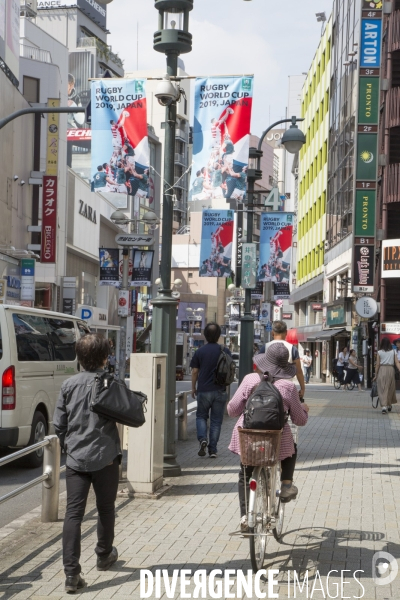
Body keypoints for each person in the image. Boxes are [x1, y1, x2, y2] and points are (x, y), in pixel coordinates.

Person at [54, 334, 121, 593]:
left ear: (79, 358)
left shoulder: (68, 384)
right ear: (104, 357)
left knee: (73, 514)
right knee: (106, 508)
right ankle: (104, 555)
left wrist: (70, 445)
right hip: (106, 457)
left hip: (76, 459)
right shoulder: (110, 382)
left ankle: (72, 574)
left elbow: (59, 424)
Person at [227, 343, 309, 531]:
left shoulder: (249, 380)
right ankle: (286, 485)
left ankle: (245, 518)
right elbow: (299, 420)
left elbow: (232, 410)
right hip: (276, 439)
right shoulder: (288, 386)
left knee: (245, 473)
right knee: (292, 450)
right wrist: (304, 410)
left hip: (248, 436)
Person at [190, 322, 231, 458]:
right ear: (219, 335)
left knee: (201, 416)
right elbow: (229, 371)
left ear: (205, 335)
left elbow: (195, 371)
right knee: (216, 421)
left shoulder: (200, 352)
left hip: (204, 390)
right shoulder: (224, 351)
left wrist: (193, 388)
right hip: (220, 390)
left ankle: (203, 439)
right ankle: (213, 450)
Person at [259, 320, 305, 399]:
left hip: (267, 389)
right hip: (286, 390)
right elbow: (299, 371)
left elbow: (258, 370)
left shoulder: (265, 348)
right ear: (286, 333)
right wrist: (303, 388)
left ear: (272, 333)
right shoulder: (292, 349)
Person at [373, 337, 400, 414]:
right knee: (390, 387)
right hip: (391, 369)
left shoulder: (379, 352)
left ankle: (384, 406)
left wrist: (376, 374)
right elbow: (397, 362)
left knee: (382, 388)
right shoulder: (393, 351)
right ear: (389, 344)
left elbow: (377, 364)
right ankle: (389, 404)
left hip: (382, 369)